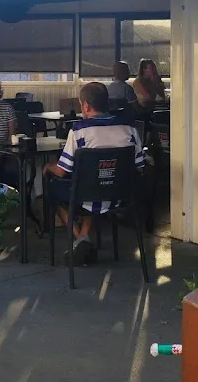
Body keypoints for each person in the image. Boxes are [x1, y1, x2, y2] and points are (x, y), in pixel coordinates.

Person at [43, 82, 145, 264]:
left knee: (56, 190)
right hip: (121, 196)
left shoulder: (79, 132)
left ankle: (80, 239)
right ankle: (83, 238)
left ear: (85, 105)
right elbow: (139, 165)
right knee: (93, 183)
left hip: (86, 195)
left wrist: (48, 167)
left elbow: (61, 171)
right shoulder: (129, 130)